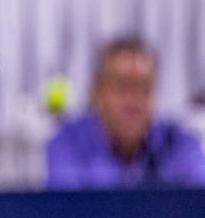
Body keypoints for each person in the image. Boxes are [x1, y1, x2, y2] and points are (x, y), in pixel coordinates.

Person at [46, 37, 205, 190]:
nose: (134, 103)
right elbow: (67, 210)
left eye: (144, 89)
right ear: (96, 93)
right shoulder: (68, 144)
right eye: (122, 89)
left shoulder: (180, 143)